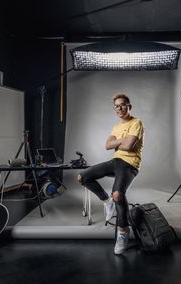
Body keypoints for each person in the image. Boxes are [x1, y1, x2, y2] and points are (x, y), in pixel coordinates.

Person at [77, 93, 144, 254]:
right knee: (82, 177)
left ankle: (123, 233)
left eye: (123, 105)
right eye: (117, 106)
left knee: (118, 195)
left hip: (130, 163)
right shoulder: (116, 127)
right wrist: (123, 140)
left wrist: (119, 142)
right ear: (115, 109)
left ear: (129, 106)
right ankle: (106, 201)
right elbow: (107, 145)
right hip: (115, 161)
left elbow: (128, 147)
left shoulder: (137, 122)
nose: (120, 108)